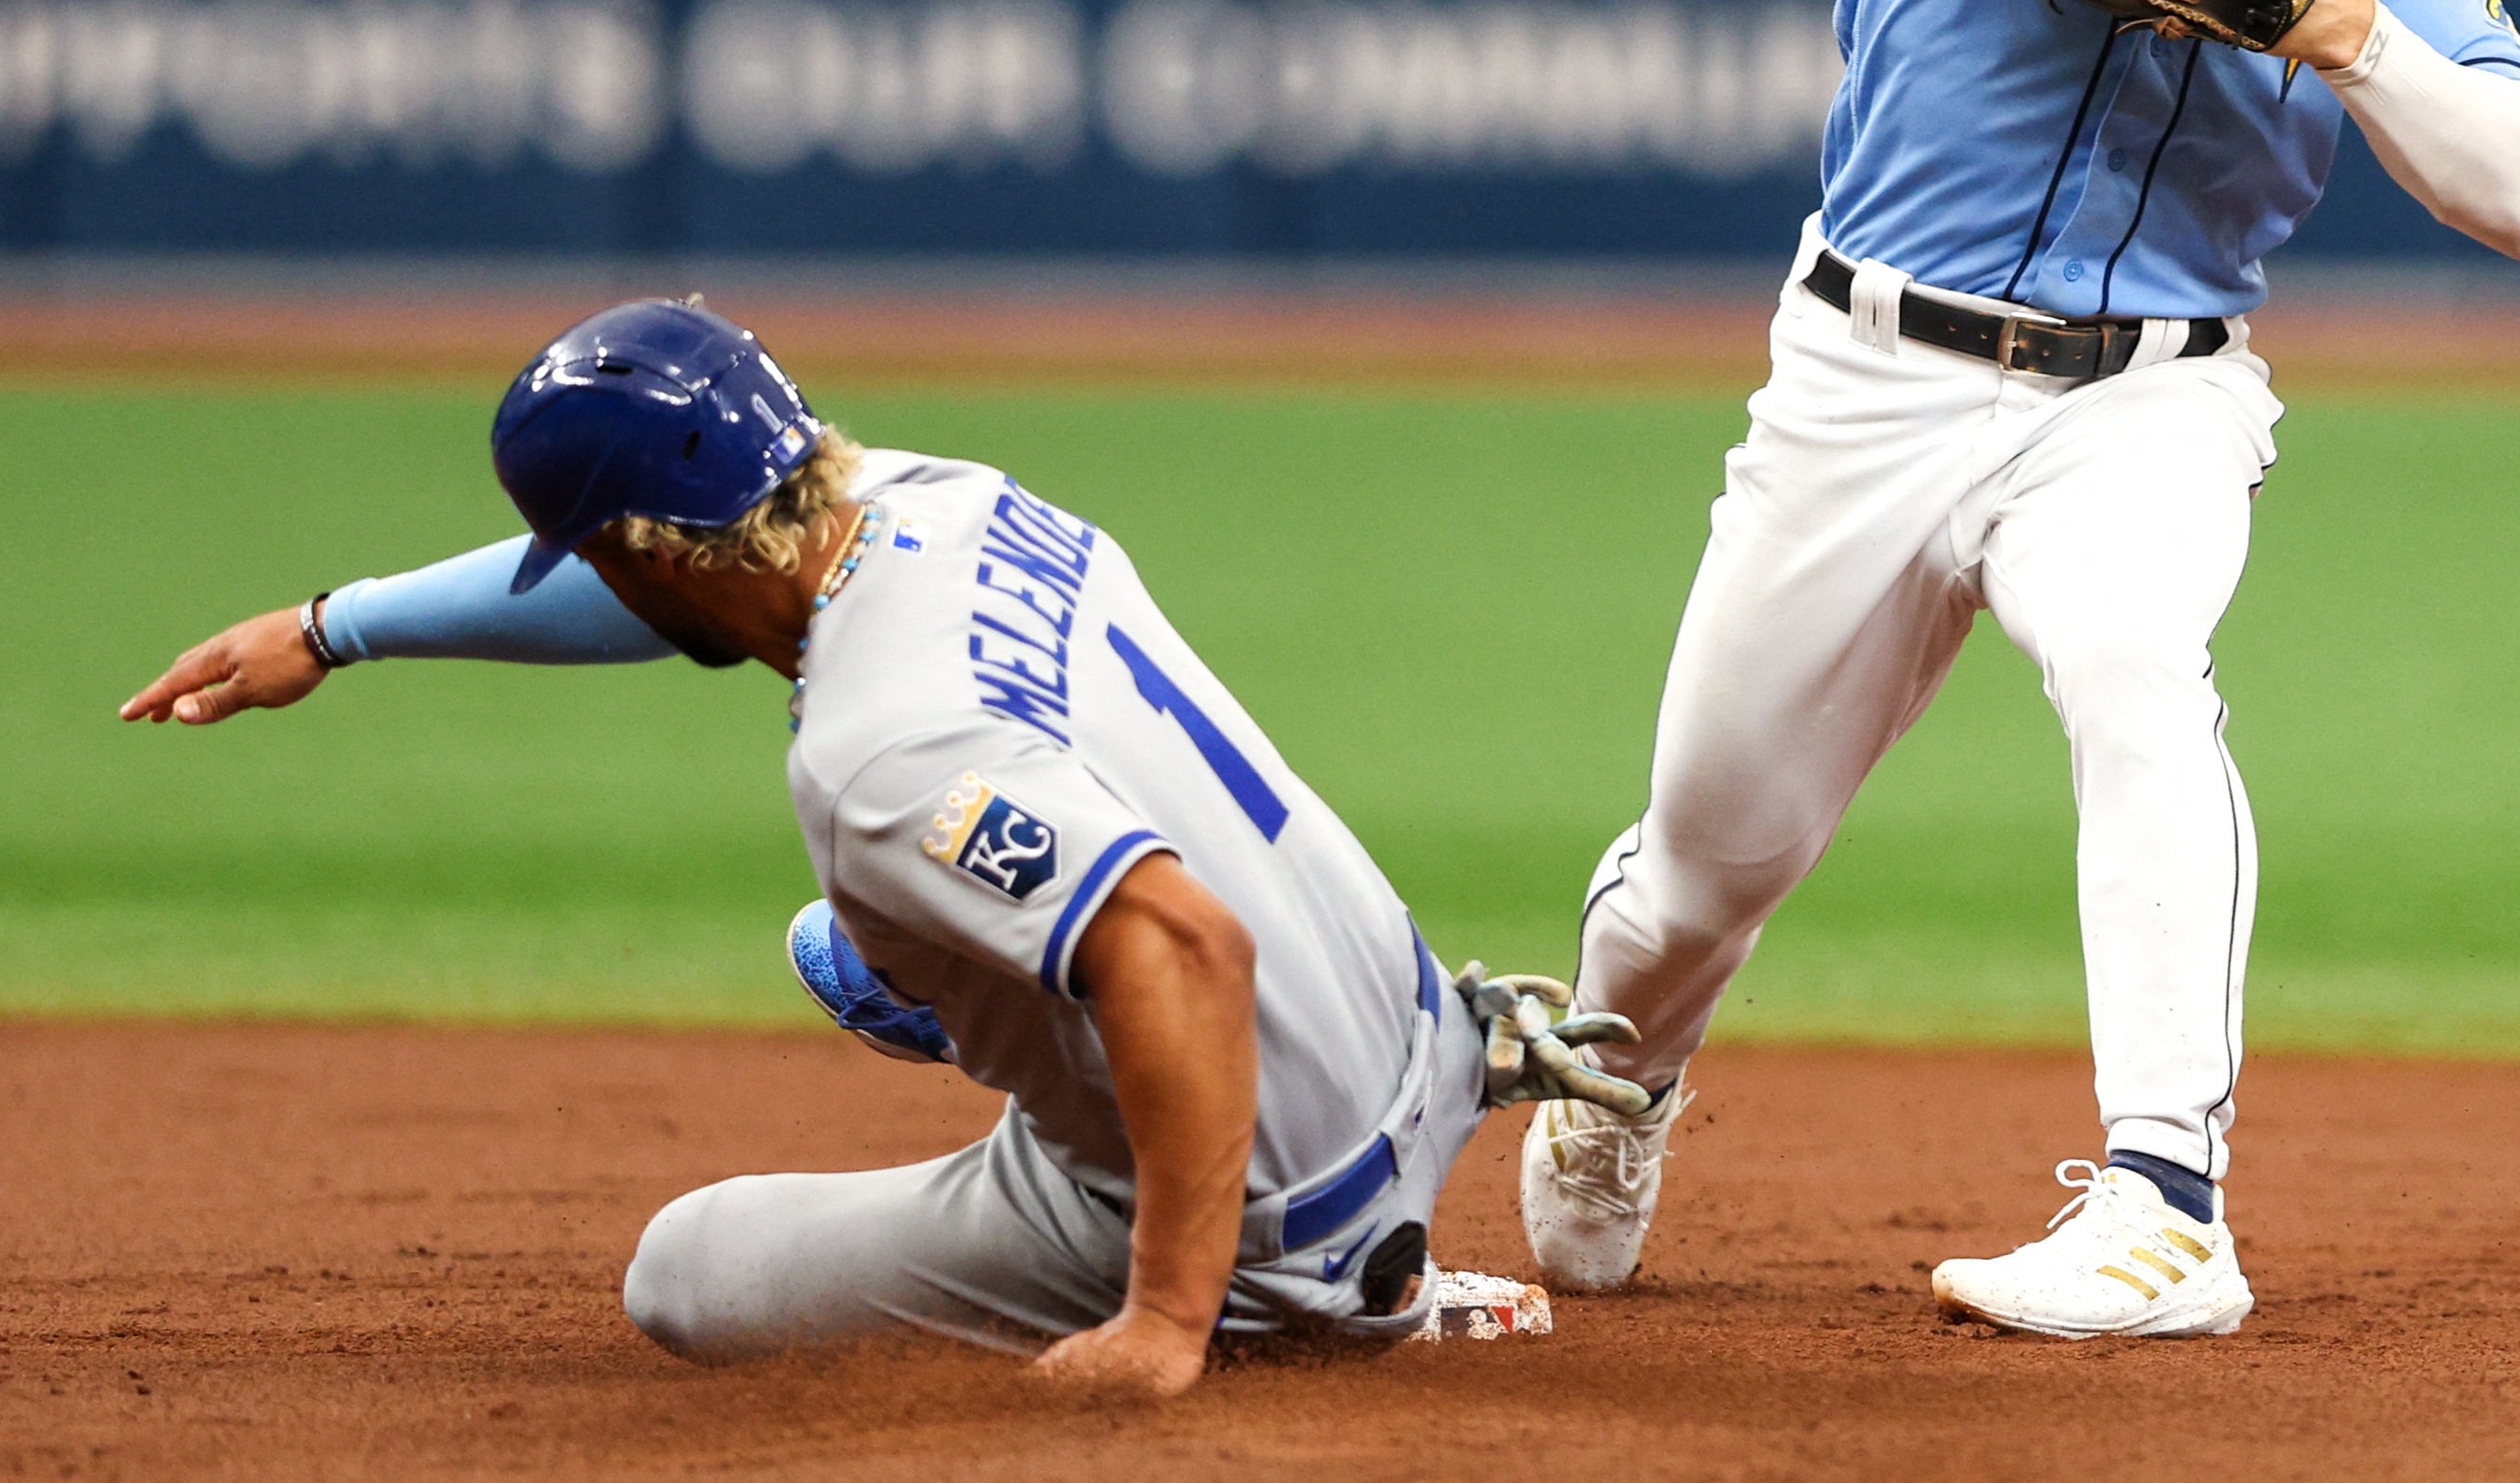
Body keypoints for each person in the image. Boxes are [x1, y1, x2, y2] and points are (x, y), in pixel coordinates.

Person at [1143, 0, 2520, 1339]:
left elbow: (2516, 193)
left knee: (2138, 675)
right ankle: (1620, 1063)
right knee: (1696, 876)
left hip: (2148, 398)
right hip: (1864, 383)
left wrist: (2343, 27)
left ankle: (2165, 1201)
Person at [120, 298, 1640, 1396]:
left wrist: (1164, 1323)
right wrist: (339, 628)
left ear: (644, 554)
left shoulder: (874, 753)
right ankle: (1403, 1099)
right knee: (859, 947)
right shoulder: (936, 498)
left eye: (590, 551)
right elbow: (665, 558)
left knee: (686, 1270)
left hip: (1284, 1204)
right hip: (1405, 1021)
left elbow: (1185, 948)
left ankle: (1277, 1301)